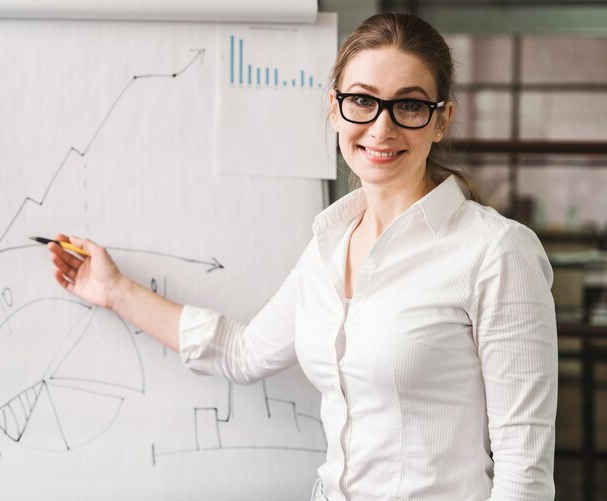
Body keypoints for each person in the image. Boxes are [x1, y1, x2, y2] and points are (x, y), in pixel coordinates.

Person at [47, 12, 557, 501]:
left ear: (441, 120)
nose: (381, 129)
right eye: (362, 100)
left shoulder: (495, 252)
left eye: (409, 104)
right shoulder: (328, 246)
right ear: (336, 108)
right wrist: (113, 290)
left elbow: (523, 473)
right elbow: (242, 352)